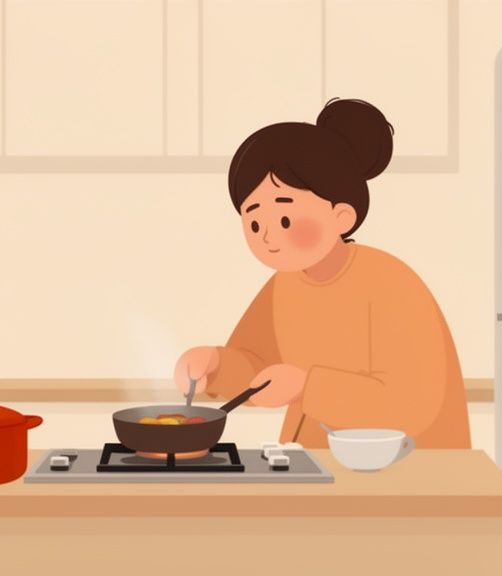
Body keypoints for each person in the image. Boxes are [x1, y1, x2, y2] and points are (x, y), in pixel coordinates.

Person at [174, 98, 470, 448]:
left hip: (410, 469)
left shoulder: (392, 284)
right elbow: (258, 366)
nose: (267, 235)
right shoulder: (286, 284)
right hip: (317, 462)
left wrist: (306, 387)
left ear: (342, 216)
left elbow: (412, 402)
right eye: (254, 221)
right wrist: (215, 365)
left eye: (284, 219)